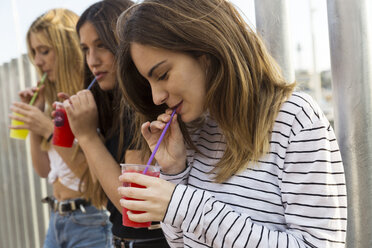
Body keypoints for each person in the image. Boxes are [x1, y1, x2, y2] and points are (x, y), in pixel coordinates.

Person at [116, 0, 347, 247]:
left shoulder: (295, 119)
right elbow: (181, 244)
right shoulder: (192, 131)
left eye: (162, 75)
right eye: (148, 83)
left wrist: (182, 204)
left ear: (206, 51)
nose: (156, 97)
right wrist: (174, 171)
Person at [62, 0, 169, 247]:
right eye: (86, 49)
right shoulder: (108, 107)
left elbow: (130, 205)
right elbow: (97, 193)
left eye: (101, 46)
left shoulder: (144, 106)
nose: (92, 60)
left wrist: (88, 137)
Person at [9, 9, 112, 248]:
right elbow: (44, 170)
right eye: (34, 52)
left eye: (44, 51)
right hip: (57, 219)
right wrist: (36, 122)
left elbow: (93, 182)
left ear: (67, 49)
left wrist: (48, 129)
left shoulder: (88, 100)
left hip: (90, 221)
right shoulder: (54, 102)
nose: (37, 61)